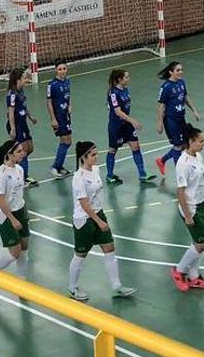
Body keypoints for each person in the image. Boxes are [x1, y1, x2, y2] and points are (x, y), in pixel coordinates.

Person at [68, 141, 136, 301]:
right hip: (84, 220)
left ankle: (116, 286)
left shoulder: (96, 170)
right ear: (83, 157)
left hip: (98, 214)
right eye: (93, 155)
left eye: (96, 153)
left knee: (109, 249)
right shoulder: (78, 178)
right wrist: (99, 222)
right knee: (80, 254)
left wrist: (100, 217)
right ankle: (72, 287)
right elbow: (84, 204)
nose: (96, 157)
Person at [170, 124, 204, 291]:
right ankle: (179, 270)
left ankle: (194, 276)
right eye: (201, 141)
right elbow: (180, 191)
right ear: (191, 141)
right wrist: (188, 215)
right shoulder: (183, 163)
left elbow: (201, 184)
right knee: (201, 244)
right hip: (191, 208)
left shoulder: (198, 157)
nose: (203, 144)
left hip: (201, 203)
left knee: (197, 242)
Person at [0, 139, 30, 289]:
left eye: (22, 150)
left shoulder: (19, 169)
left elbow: (19, 193)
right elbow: (0, 200)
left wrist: (24, 212)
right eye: (19, 151)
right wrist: (12, 219)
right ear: (9, 155)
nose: (23, 153)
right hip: (6, 214)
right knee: (15, 253)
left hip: (20, 209)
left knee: (25, 247)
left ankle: (21, 282)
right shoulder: (0, 174)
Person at [105, 69, 156, 184]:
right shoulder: (113, 93)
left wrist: (130, 122)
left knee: (136, 147)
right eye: (126, 77)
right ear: (119, 79)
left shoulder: (126, 90)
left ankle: (142, 174)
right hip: (116, 126)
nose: (129, 79)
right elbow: (118, 112)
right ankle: (109, 175)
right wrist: (132, 120)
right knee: (113, 150)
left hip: (127, 125)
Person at [155, 61, 201, 176]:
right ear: (171, 72)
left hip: (181, 118)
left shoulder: (181, 82)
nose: (181, 72)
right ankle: (181, 175)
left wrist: (194, 110)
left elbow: (185, 97)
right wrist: (160, 123)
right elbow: (162, 106)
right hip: (171, 120)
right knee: (178, 146)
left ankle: (162, 161)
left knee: (184, 144)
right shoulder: (166, 87)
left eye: (181, 70)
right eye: (178, 70)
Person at [6, 69, 38, 185]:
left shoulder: (21, 91)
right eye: (25, 78)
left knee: (30, 148)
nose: (27, 80)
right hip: (16, 124)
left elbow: (24, 106)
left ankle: (15, 162)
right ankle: (23, 177)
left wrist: (31, 117)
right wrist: (13, 128)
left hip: (23, 123)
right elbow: (10, 112)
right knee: (23, 151)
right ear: (18, 80)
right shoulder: (12, 94)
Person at [46, 62, 73, 178]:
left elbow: (68, 96)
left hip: (66, 115)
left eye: (64, 69)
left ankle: (59, 166)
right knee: (67, 141)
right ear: (56, 70)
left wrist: (70, 105)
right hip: (58, 117)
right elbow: (49, 102)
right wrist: (53, 119)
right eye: (60, 69)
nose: (62, 71)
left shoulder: (67, 81)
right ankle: (55, 166)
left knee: (65, 141)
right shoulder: (52, 85)